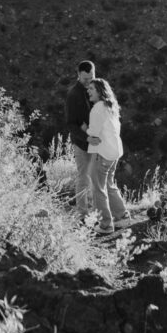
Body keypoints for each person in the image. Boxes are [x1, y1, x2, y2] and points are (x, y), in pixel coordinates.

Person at [86, 77, 131, 234]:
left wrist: (85, 131)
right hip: (114, 152)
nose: (88, 91)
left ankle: (106, 224)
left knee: (98, 187)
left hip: (102, 152)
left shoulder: (97, 108)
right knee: (109, 184)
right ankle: (122, 216)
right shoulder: (111, 106)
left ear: (99, 91)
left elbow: (94, 133)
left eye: (91, 89)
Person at [64, 59, 94, 217]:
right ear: (78, 75)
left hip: (97, 142)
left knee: (98, 179)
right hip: (82, 144)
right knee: (83, 178)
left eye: (91, 78)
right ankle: (82, 213)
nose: (88, 82)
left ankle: (98, 212)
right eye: (85, 79)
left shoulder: (96, 88)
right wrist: (86, 136)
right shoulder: (73, 94)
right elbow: (70, 124)